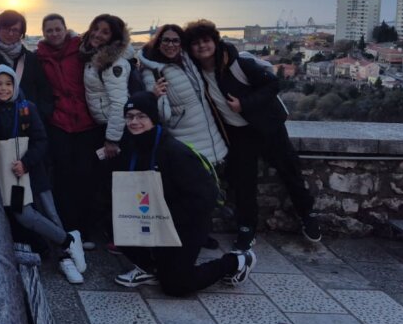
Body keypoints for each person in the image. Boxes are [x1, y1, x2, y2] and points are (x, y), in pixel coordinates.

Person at [183, 19, 321, 249]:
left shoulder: (237, 63)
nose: (202, 46)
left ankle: (307, 215)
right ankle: (247, 227)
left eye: (206, 41)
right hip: (239, 134)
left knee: (290, 172)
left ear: (215, 41)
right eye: (196, 43)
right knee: (243, 182)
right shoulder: (196, 72)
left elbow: (272, 85)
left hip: (268, 126)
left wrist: (244, 104)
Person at [0, 65, 88, 283]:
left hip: (31, 173)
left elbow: (41, 140)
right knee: (23, 215)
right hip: (6, 175)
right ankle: (68, 241)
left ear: (14, 85)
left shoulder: (27, 109)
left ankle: (65, 256)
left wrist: (26, 162)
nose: (3, 89)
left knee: (49, 213)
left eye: (8, 83)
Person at [113, 92, 256, 296]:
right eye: (130, 116)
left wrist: (168, 221)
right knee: (115, 222)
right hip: (152, 216)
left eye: (141, 116)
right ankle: (151, 268)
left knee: (176, 285)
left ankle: (236, 261)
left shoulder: (174, 152)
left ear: (153, 118)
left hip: (186, 222)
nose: (134, 122)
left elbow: (205, 196)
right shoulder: (130, 146)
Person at [36, 14, 101, 249]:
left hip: (86, 121)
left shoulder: (81, 50)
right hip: (59, 122)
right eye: (49, 30)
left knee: (86, 176)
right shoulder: (39, 57)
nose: (54, 34)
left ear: (65, 29)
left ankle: (86, 229)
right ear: (43, 33)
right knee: (63, 177)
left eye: (57, 29)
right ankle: (68, 228)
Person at [137, 24, 228, 167]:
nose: (170, 45)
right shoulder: (152, 72)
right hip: (187, 142)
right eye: (166, 40)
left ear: (181, 43)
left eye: (175, 40)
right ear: (158, 42)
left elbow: (214, 52)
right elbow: (163, 117)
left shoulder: (187, 60)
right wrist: (156, 97)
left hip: (214, 141)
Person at [81, 14, 135, 249]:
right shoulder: (94, 56)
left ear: (114, 38)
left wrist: (112, 139)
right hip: (101, 126)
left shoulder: (114, 63)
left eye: (105, 32)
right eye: (95, 29)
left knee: (113, 183)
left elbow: (119, 104)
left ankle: (118, 236)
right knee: (101, 182)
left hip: (112, 130)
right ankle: (108, 231)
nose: (97, 34)